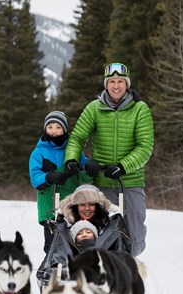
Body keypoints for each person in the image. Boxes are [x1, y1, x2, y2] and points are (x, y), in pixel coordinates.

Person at [63, 62, 154, 256]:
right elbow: (77, 138)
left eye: (120, 81)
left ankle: (128, 268)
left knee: (134, 236)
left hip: (129, 182)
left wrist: (123, 167)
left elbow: (145, 147)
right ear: (106, 84)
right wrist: (71, 159)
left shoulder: (140, 109)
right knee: (100, 234)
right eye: (111, 81)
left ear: (126, 84)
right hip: (102, 183)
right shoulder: (94, 108)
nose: (116, 85)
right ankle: (100, 273)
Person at [29, 111, 91, 253]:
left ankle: (74, 272)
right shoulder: (38, 152)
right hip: (50, 208)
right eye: (50, 127)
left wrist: (89, 169)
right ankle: (50, 272)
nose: (54, 131)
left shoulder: (73, 150)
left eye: (58, 127)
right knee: (52, 247)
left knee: (75, 245)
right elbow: (35, 179)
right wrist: (49, 177)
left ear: (64, 129)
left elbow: (85, 174)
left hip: (72, 206)